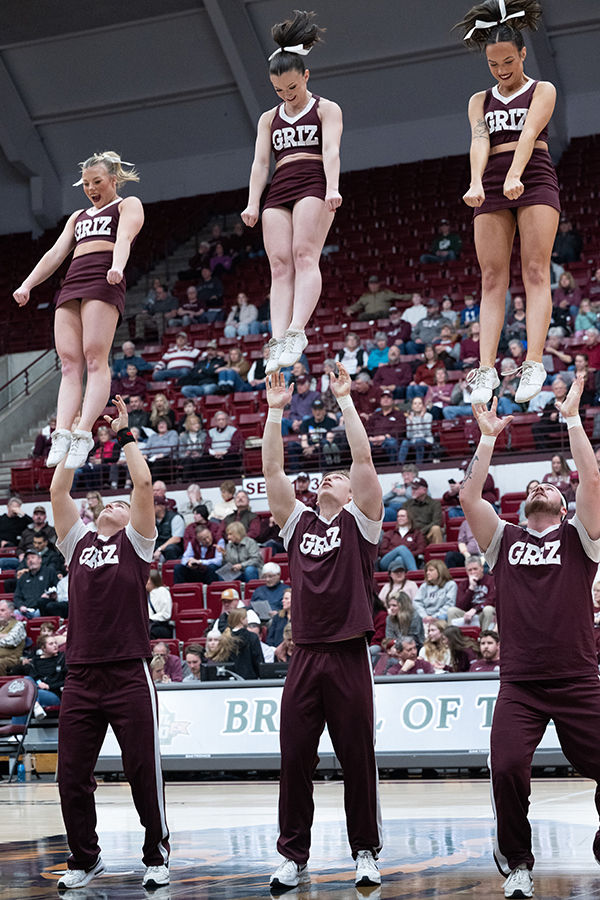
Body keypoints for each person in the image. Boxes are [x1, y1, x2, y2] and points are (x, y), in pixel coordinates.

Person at [459, 373, 600, 899]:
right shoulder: (504, 540)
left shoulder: (580, 537)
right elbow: (470, 495)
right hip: (520, 683)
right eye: (532, 486)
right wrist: (489, 436)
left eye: (549, 485)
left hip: (578, 677)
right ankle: (518, 862)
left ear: (563, 507)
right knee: (508, 767)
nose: (540, 484)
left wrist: (569, 417)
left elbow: (591, 477)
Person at [263, 361, 383, 890]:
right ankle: (294, 854)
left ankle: (365, 851)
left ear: (354, 494)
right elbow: (272, 475)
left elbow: (361, 456)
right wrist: (273, 413)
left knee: (358, 759)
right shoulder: (299, 523)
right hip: (306, 654)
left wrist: (345, 400)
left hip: (349, 653)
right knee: (294, 760)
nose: (329, 478)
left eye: (338, 479)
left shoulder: (363, 522)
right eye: (324, 477)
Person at [49, 395, 169, 890]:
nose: (118, 504)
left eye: (124, 505)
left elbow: (141, 483)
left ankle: (156, 855)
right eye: (111, 502)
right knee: (70, 776)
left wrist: (123, 434)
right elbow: (59, 490)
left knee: (143, 770)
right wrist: (74, 438)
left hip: (127, 671)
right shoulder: (76, 542)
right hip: (80, 673)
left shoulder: (135, 544)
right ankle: (84, 858)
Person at [456, 1, 561, 408]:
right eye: (493, 63)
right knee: (491, 278)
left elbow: (531, 131)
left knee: (535, 269)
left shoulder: (542, 89)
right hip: (494, 181)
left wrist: (516, 173)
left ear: (521, 55)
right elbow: (480, 140)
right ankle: (486, 368)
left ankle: (533, 361)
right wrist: (477, 181)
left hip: (533, 174)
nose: (501, 70)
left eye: (507, 61)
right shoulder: (478, 100)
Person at [14, 152, 144, 471]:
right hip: (73, 281)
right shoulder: (78, 216)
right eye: (85, 183)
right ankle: (62, 432)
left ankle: (84, 432)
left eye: (97, 182)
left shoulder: (128, 204)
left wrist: (117, 266)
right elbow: (56, 253)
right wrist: (27, 284)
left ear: (113, 180)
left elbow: (125, 237)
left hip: (104, 275)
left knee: (94, 357)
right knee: (69, 363)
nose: (90, 188)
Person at [241, 10, 342, 375]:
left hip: (313, 180)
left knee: (303, 255)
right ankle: (278, 338)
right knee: (279, 265)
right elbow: (260, 164)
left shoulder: (326, 109)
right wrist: (253, 203)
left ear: (306, 76)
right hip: (280, 187)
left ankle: (298, 331)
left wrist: (333, 187)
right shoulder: (269, 118)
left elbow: (331, 150)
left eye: (293, 88)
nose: (287, 95)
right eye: (280, 90)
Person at [378, 508, 426, 572]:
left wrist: (406, 555)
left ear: (409, 518)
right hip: (387, 562)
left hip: (408, 561)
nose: (399, 518)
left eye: (402, 516)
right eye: (398, 516)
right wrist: (398, 552)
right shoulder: (390, 533)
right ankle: (414, 573)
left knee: (400, 558)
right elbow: (382, 551)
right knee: (402, 548)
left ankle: (399, 575)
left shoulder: (416, 533)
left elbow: (421, 549)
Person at [403, 477, 444, 544]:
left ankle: (437, 551)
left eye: (415, 489)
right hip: (412, 534)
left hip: (428, 534)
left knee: (436, 528)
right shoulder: (406, 504)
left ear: (424, 490)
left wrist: (421, 532)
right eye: (412, 489)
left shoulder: (435, 504)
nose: (413, 491)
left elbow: (436, 522)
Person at [0, 598, 27, 676]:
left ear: (11, 612)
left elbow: (11, 641)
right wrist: (3, 636)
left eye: (2, 610)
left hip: (11, 658)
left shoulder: (18, 625)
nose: (0, 613)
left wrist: (5, 637)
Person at [147, 571, 173, 640]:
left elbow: (166, 614)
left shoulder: (163, 591)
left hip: (159, 626)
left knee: (149, 632)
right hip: (148, 625)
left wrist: (150, 618)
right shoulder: (144, 594)